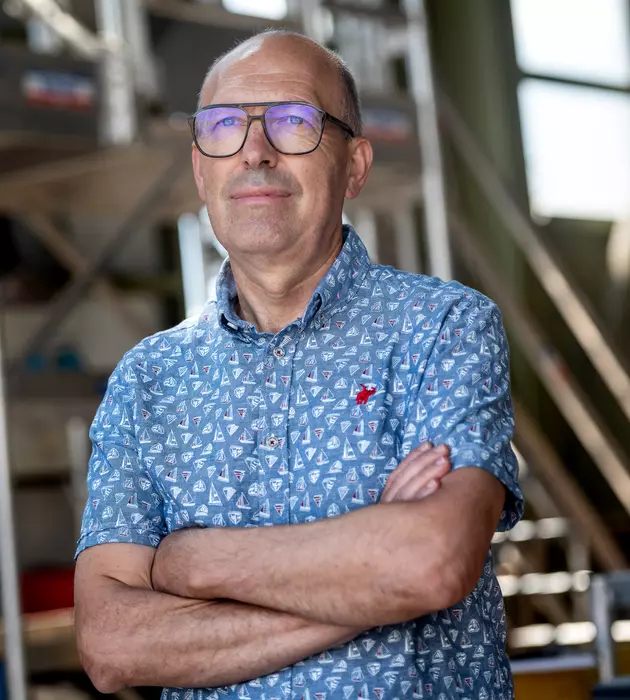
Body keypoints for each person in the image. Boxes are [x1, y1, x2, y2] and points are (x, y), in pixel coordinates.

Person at [74, 30, 523, 700]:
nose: (255, 151)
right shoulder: (148, 381)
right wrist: (368, 578)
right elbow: (111, 645)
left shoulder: (442, 328)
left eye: (293, 121)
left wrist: (192, 561)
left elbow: (432, 563)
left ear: (356, 165)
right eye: (225, 125)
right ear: (202, 169)